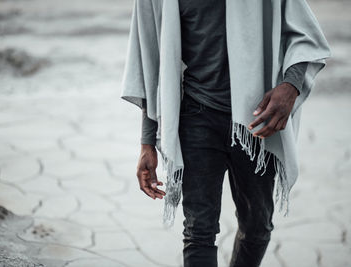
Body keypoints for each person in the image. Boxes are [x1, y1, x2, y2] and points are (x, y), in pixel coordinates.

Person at [120, 0, 331, 266]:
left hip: (256, 119)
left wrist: (291, 86)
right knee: (198, 232)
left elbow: (304, 34)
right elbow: (150, 58)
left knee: (257, 226)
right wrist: (147, 142)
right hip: (196, 116)